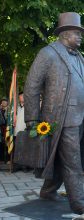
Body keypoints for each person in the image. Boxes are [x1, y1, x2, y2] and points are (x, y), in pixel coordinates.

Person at [24, 12, 84, 214]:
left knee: (61, 157)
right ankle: (79, 202)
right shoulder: (48, 53)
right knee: (73, 160)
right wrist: (32, 118)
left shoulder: (79, 57)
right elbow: (32, 85)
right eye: (77, 33)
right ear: (66, 34)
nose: (81, 37)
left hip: (79, 116)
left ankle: (48, 191)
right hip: (61, 118)